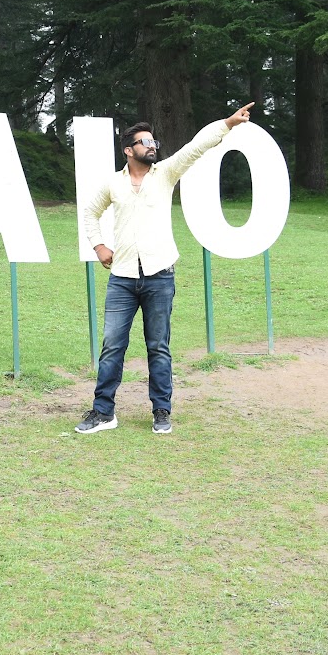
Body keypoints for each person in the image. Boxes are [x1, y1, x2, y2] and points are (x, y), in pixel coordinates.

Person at [74, 102, 254, 435]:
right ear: (129, 151)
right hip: (122, 279)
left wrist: (228, 123)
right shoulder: (113, 184)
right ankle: (103, 413)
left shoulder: (166, 173)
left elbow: (195, 147)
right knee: (112, 345)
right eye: (144, 142)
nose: (152, 145)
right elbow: (89, 213)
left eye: (153, 141)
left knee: (158, 346)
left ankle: (161, 411)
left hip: (160, 276)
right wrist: (99, 246)